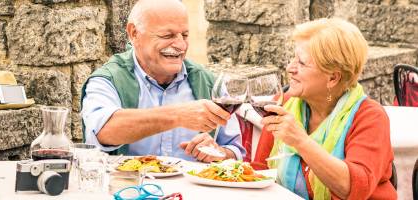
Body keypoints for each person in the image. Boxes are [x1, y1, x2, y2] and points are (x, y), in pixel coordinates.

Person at [80, 0, 245, 163]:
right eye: (167, 35)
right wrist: (178, 115)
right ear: (134, 33)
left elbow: (235, 151)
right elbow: (103, 130)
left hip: (194, 189)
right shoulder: (107, 80)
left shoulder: (209, 82)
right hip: (130, 188)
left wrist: (219, 153)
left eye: (185, 35)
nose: (180, 45)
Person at [255, 18, 396, 199]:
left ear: (333, 78)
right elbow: (260, 171)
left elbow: (354, 189)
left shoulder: (369, 117)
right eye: (292, 59)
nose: (290, 68)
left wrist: (301, 142)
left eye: (302, 63)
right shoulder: (283, 104)